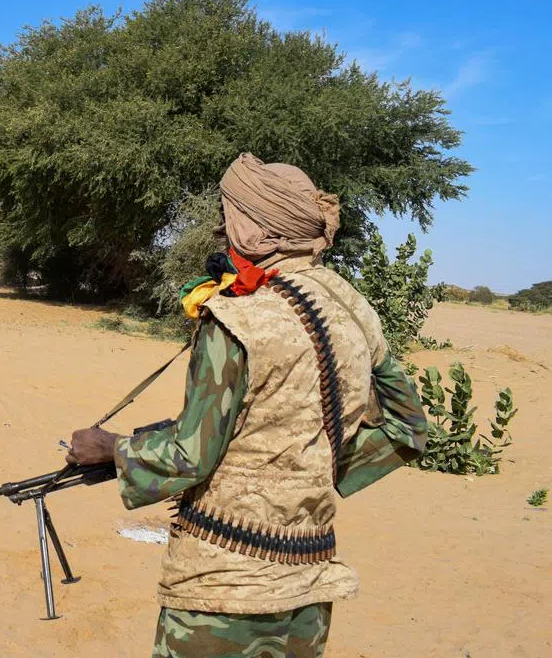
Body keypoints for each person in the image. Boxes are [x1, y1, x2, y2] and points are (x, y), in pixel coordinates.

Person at [67, 153, 427, 658]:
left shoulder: (236, 320)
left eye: (228, 218)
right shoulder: (355, 309)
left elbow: (190, 456)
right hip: (310, 582)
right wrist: (318, 470)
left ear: (254, 229)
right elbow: (408, 427)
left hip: (221, 584)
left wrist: (113, 450)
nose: (222, 234)